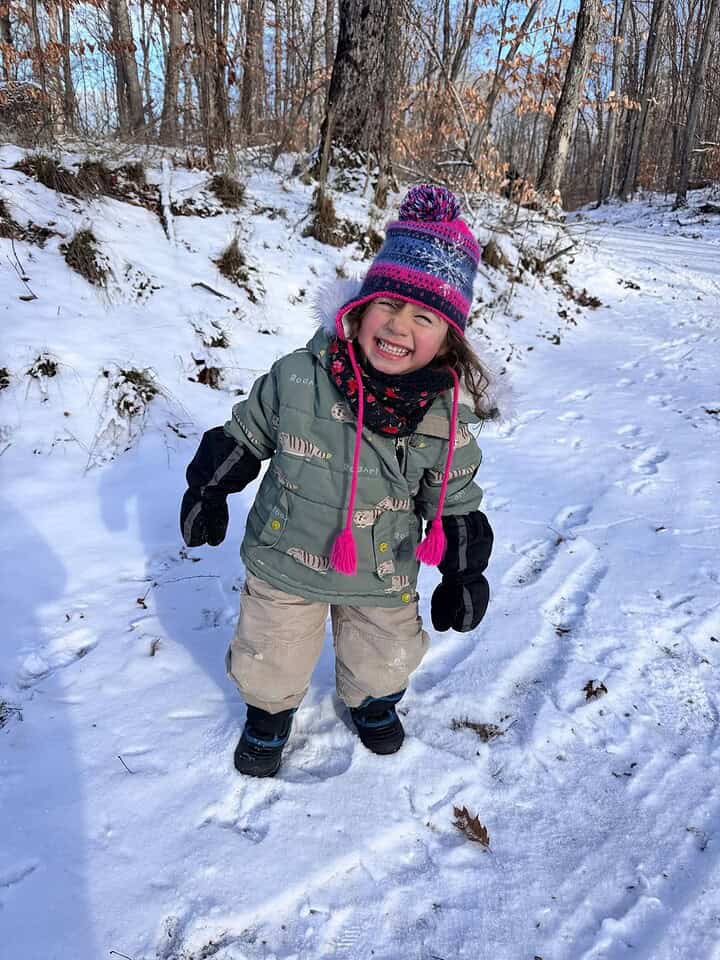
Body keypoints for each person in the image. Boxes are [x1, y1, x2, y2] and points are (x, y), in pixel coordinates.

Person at [180, 184, 496, 778]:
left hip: (382, 564)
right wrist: (209, 489)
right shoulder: (301, 377)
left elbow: (454, 498)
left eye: (423, 317)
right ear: (361, 306)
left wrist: (463, 571)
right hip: (286, 552)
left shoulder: (444, 415)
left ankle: (373, 703)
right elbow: (247, 434)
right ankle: (269, 716)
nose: (399, 327)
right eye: (389, 307)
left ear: (448, 336)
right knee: (270, 651)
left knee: (384, 653)